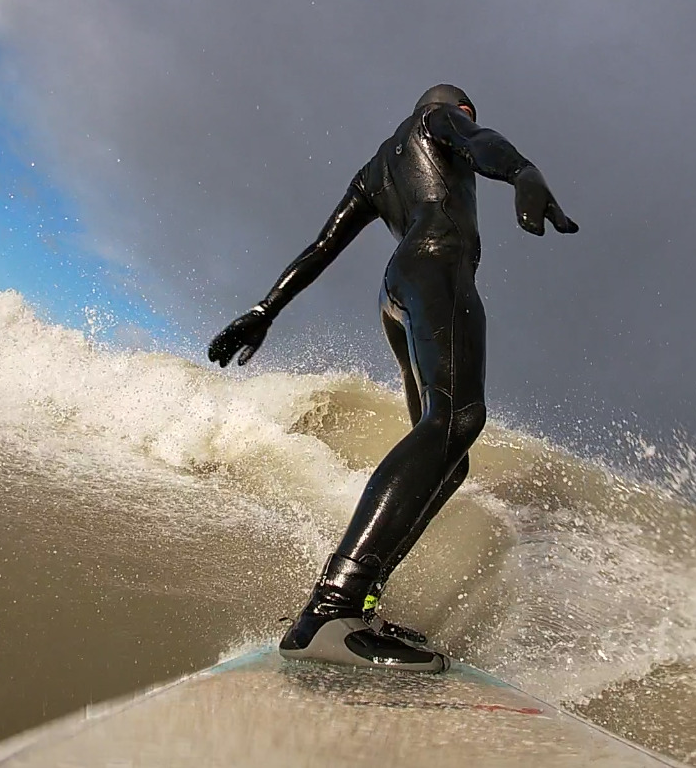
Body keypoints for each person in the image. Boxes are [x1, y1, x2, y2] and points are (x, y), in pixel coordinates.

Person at [208, 84, 578, 672]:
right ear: (453, 108)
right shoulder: (438, 119)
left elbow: (323, 245)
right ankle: (333, 607)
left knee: (448, 458)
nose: (462, 123)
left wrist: (264, 309)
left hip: (394, 291)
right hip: (437, 266)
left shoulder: (376, 169)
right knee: (458, 418)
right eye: (463, 114)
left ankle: (360, 601)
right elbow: (479, 141)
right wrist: (523, 171)